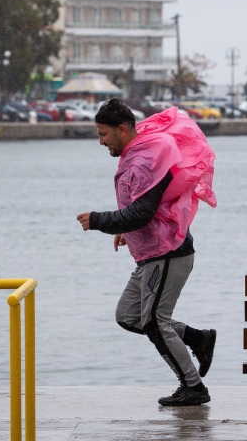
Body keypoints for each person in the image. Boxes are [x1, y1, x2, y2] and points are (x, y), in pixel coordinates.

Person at [76, 98, 217, 407]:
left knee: (154, 321)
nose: (100, 142)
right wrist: (125, 231)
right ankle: (196, 338)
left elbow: (141, 212)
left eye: (103, 134)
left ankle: (193, 387)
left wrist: (101, 220)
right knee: (128, 316)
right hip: (151, 254)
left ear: (122, 129)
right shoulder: (138, 149)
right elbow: (144, 211)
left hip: (168, 253)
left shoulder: (146, 159)